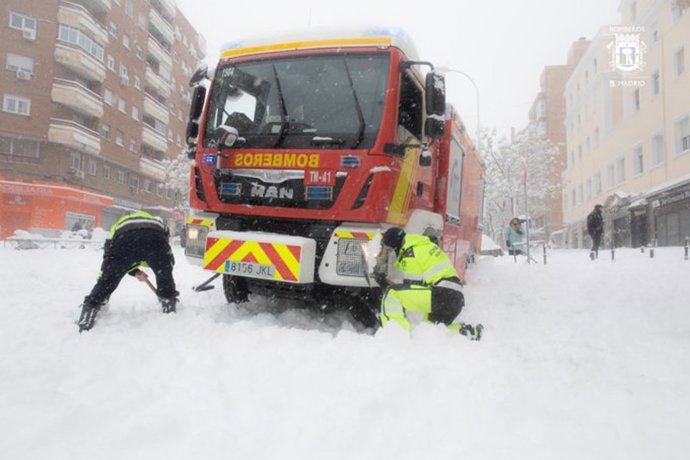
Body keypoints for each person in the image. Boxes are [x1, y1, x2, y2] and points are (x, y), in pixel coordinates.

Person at [77, 211, 178, 332]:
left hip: (125, 239)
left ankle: (89, 312)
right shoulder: (158, 222)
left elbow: (110, 257)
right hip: (154, 238)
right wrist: (164, 271)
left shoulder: (118, 225)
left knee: (109, 278)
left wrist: (106, 277)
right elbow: (166, 254)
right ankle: (168, 304)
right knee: (164, 274)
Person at [374, 227, 481, 339]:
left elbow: (412, 289)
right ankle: (468, 332)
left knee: (391, 293)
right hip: (454, 298)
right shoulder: (424, 246)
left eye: (390, 250)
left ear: (396, 245)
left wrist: (384, 284)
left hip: (441, 295)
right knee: (426, 329)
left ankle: (396, 336)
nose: (391, 253)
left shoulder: (410, 254)